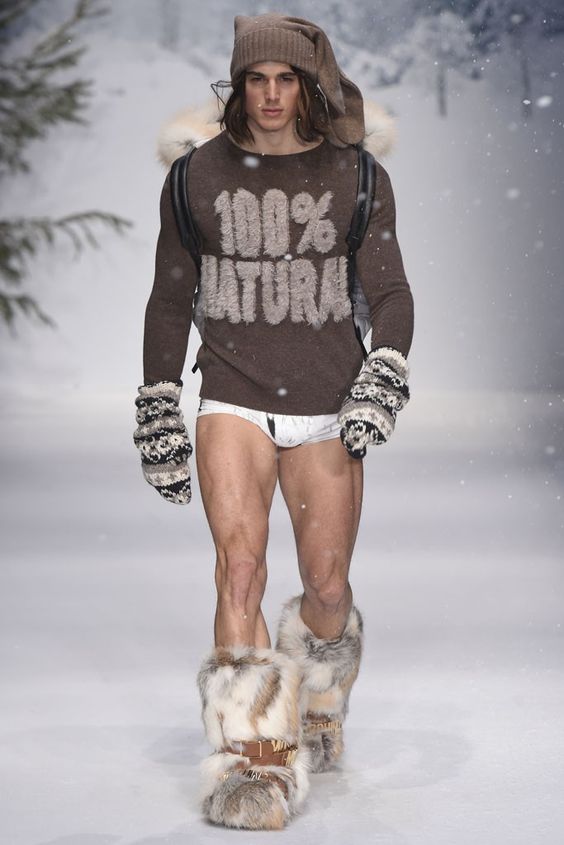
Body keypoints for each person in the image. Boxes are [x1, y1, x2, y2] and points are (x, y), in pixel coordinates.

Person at [133, 12, 414, 831]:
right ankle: (252, 760)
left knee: (326, 582)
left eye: (285, 79)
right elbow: (170, 297)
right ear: (237, 85)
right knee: (241, 570)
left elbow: (391, 291)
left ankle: (319, 699)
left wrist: (382, 376)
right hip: (232, 392)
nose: (269, 95)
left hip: (327, 398)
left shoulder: (356, 176)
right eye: (255, 79)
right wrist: (159, 401)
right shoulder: (195, 178)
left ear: (308, 85)